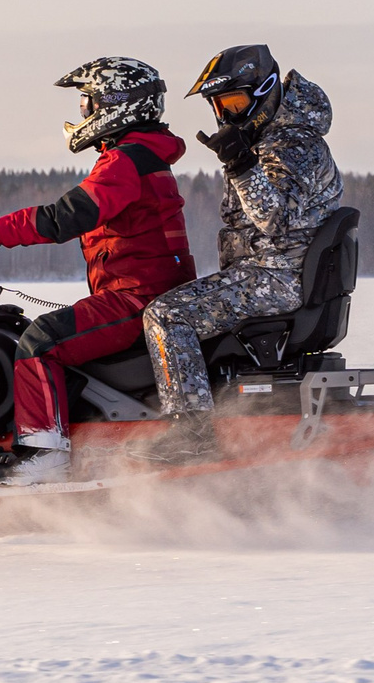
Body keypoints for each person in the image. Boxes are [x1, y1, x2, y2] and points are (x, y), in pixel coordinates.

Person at [0, 56, 194, 484]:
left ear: (116, 105)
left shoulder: (127, 160)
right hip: (143, 290)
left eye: (88, 103)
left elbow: (65, 217)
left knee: (41, 341)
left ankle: (45, 454)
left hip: (137, 296)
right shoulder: (143, 155)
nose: (83, 113)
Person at [136, 44, 341, 464]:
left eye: (233, 103)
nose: (226, 115)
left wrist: (242, 165)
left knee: (167, 315)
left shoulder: (293, 144)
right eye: (218, 105)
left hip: (278, 277)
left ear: (264, 93)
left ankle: (192, 432)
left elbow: (275, 221)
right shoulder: (270, 139)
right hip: (268, 272)